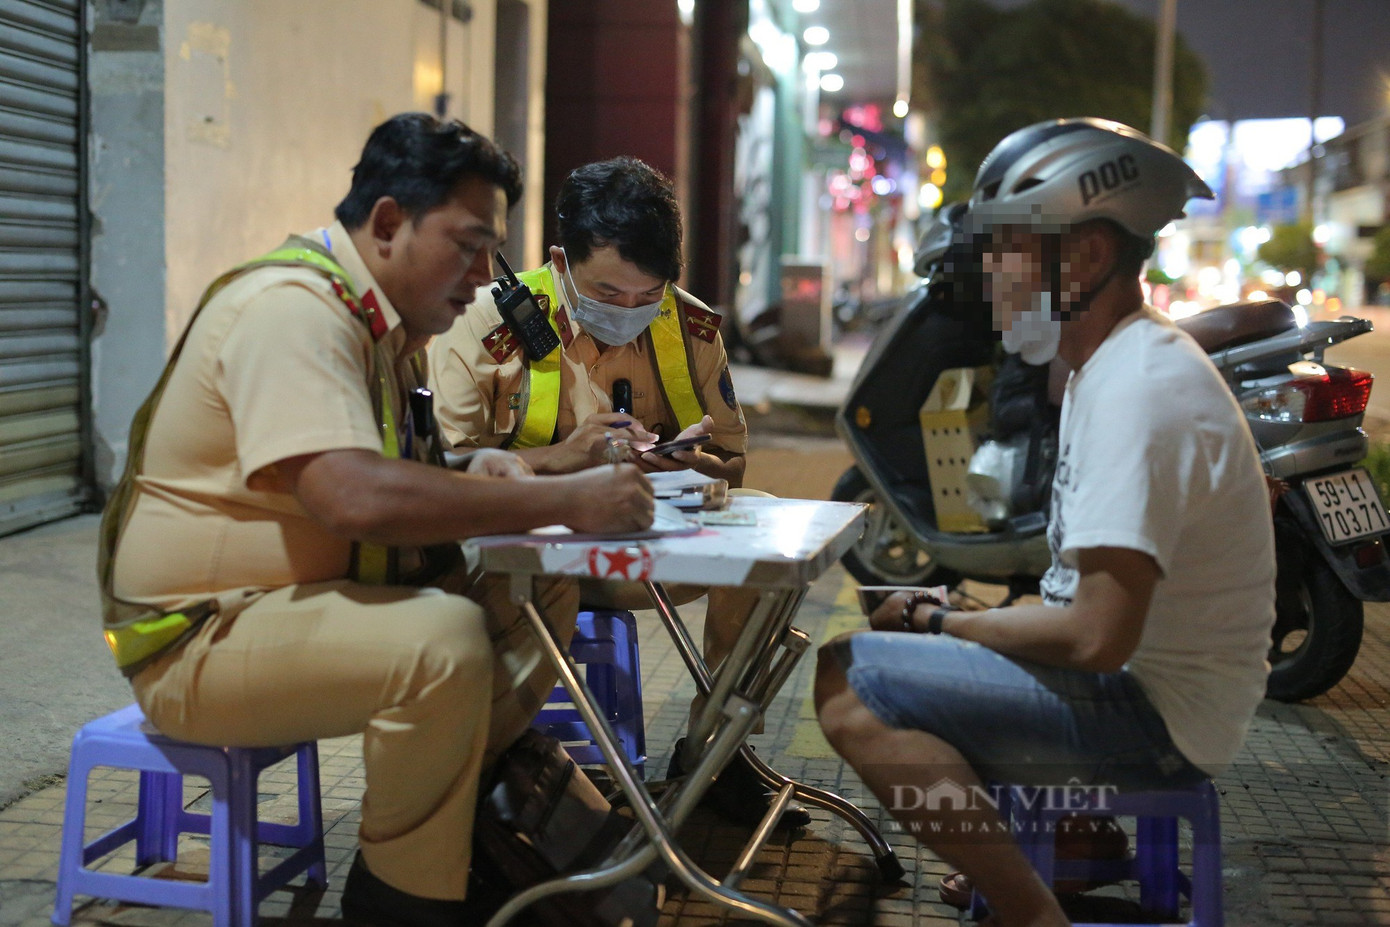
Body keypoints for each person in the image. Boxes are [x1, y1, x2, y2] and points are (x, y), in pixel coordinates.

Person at [98, 113, 655, 927]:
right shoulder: (292, 309)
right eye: (467, 245)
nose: (483, 276)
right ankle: (401, 902)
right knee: (440, 643)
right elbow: (352, 496)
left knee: (536, 587)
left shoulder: (385, 329)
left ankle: (455, 825)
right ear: (389, 222)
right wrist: (563, 499)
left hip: (289, 608)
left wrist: (487, 469)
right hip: (196, 636)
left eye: (492, 251)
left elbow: (392, 473)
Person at [814, 118, 1276, 927]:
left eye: (1006, 247)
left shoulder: (1137, 390)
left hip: (1153, 717)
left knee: (852, 683)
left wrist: (944, 621)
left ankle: (1030, 911)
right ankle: (1051, 850)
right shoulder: (1105, 366)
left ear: (1088, 256)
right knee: (894, 652)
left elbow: (1096, 637)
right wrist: (958, 621)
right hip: (1142, 692)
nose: (988, 271)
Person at [428, 155, 809, 829]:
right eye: (607, 293)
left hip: (642, 545)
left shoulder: (689, 328)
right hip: (523, 555)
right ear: (560, 261)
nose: (629, 311)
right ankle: (498, 769)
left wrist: (691, 463)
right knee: (529, 590)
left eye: (648, 295)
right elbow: (442, 472)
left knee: (770, 547)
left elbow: (731, 462)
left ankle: (714, 753)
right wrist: (559, 461)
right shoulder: (484, 324)